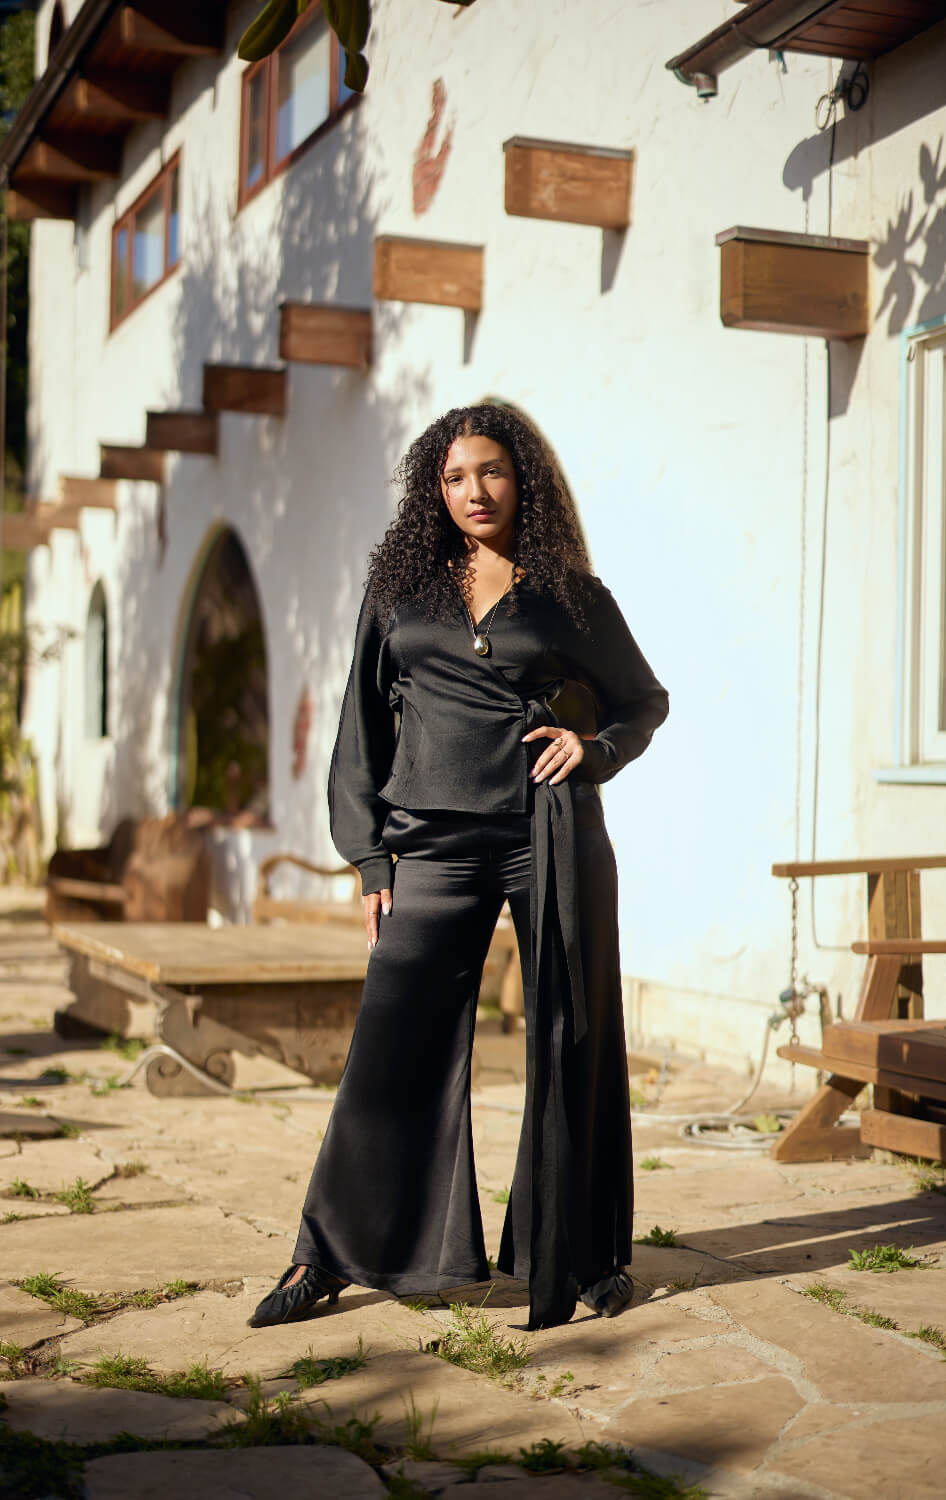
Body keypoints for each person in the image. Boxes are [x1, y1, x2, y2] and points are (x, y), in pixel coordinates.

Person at [250, 404, 669, 1332]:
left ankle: (586, 1251)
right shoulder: (401, 589)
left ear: (523, 481)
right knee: (391, 1042)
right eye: (453, 477)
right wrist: (367, 855)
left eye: (490, 472)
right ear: (431, 491)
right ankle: (329, 1252)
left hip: (546, 833)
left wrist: (593, 750)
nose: (473, 491)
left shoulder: (570, 596)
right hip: (430, 841)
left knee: (572, 1035)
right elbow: (360, 726)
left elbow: (644, 700)